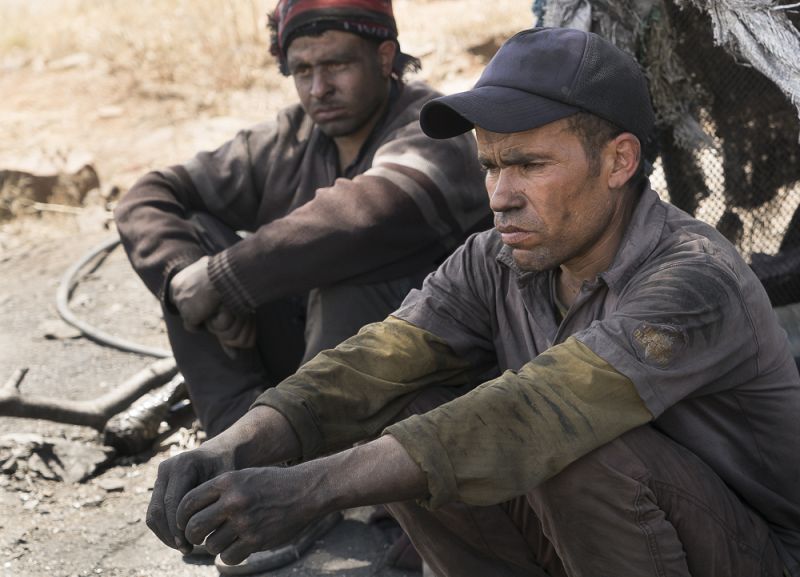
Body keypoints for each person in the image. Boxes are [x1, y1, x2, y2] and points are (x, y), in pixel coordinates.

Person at [143, 27, 800, 577]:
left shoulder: (693, 278)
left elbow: (536, 412)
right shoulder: (498, 257)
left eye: (529, 165)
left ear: (619, 161)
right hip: (610, 542)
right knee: (404, 404)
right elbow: (375, 362)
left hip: (752, 553)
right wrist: (239, 443)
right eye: (490, 165)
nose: (500, 194)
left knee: (567, 449)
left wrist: (307, 488)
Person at [114, 0, 489, 440]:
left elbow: (368, 213)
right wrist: (183, 277)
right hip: (310, 370)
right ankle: (237, 445)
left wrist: (224, 278)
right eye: (303, 71)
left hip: (434, 379)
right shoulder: (289, 138)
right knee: (189, 243)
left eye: (337, 65)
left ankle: (325, 478)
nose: (319, 88)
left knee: (347, 279)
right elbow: (148, 195)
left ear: (385, 57)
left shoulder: (434, 126)